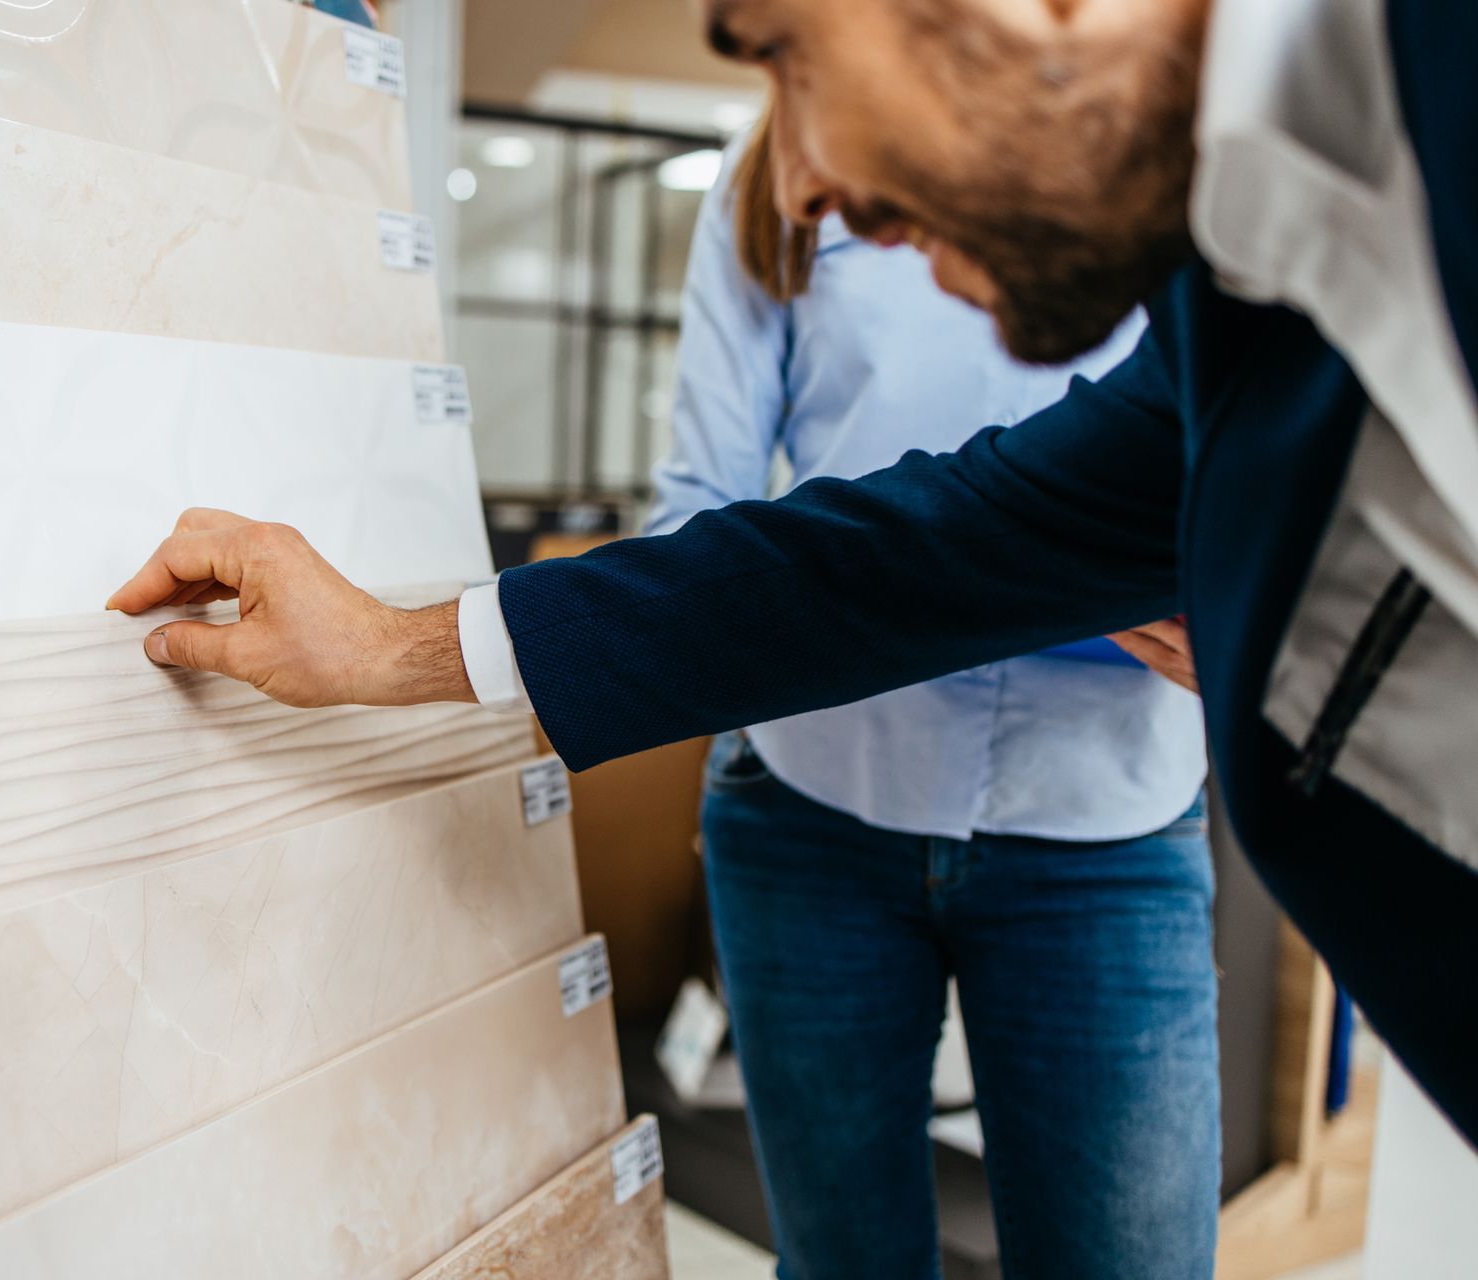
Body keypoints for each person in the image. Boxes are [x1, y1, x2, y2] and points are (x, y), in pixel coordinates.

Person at [107, 0, 1478, 1144]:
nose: (803, 186)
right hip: (818, 799)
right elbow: (891, 561)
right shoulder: (1240, 304)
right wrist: (387, 647)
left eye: (785, 51)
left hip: (1102, 817)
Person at [648, 117, 1216, 1278]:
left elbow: (1246, 463)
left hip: (1107, 817)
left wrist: (1234, 594)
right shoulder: (779, 170)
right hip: (813, 801)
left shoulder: (1180, 148)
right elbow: (695, 514)